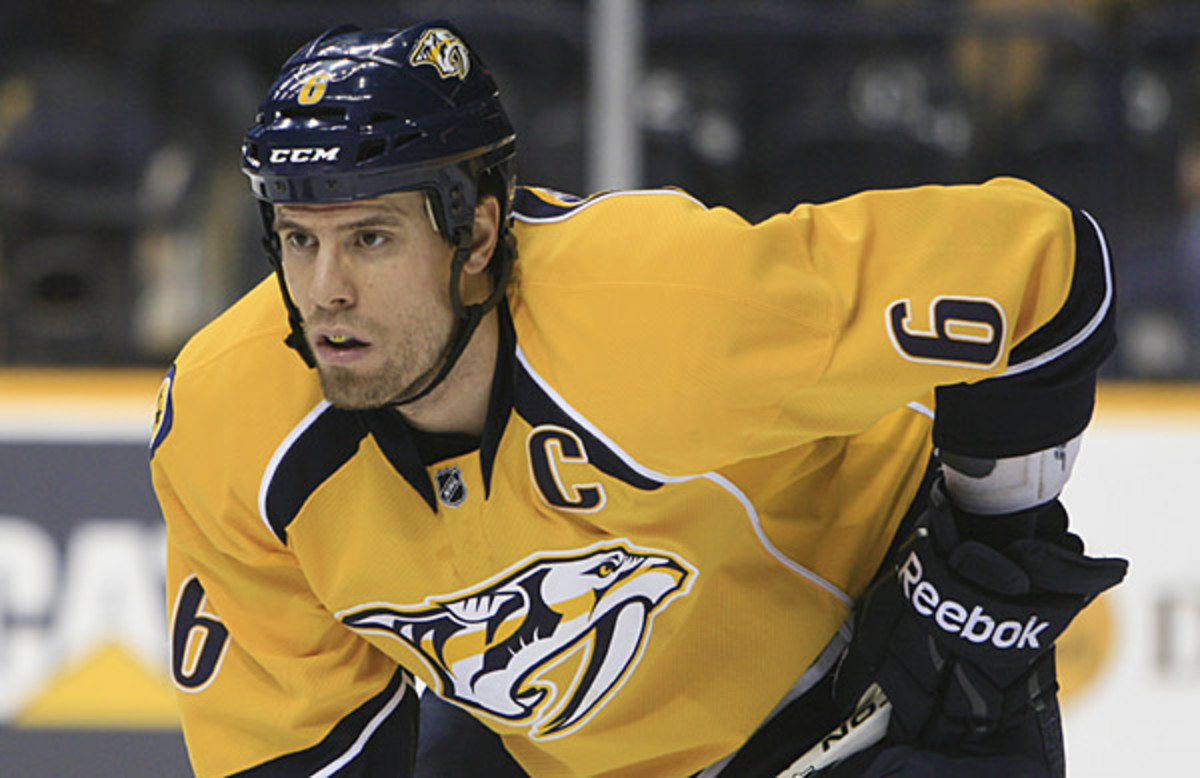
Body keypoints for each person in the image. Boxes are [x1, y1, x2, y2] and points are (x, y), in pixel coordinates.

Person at [149, 19, 1127, 777]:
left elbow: (1046, 267)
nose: (326, 291)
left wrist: (989, 547)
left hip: (879, 681)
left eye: (370, 238)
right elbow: (297, 750)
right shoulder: (231, 421)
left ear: (476, 236)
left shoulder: (660, 309)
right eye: (298, 240)